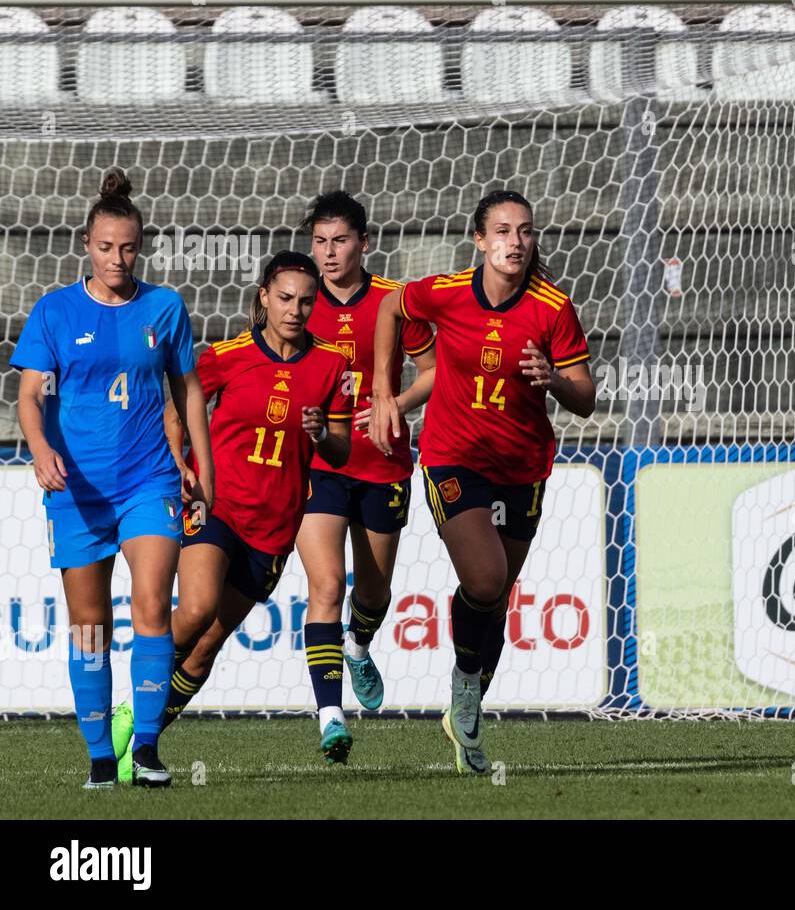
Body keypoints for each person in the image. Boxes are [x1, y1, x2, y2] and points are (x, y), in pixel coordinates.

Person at [368, 190, 596, 775]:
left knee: (496, 598)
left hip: (523, 466)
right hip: (452, 459)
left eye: (524, 231)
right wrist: (382, 393)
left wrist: (553, 379)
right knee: (487, 578)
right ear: (479, 239)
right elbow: (393, 307)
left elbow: (586, 398)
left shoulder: (552, 307)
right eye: (501, 231)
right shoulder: (444, 293)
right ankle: (466, 684)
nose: (514, 242)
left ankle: (462, 699)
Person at [11, 167, 214, 789]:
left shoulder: (164, 307)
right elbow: (28, 395)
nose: (117, 259)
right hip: (76, 489)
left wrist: (200, 471)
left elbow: (188, 389)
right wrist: (41, 448)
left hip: (148, 479)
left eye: (128, 248)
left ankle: (147, 748)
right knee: (91, 623)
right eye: (106, 248)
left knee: (154, 604)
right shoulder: (55, 311)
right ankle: (101, 755)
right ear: (86, 246)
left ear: (141, 246)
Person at [156, 252, 353, 759]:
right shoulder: (228, 355)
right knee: (196, 609)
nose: (296, 310)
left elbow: (341, 447)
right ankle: (134, 698)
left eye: (307, 301)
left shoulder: (331, 364)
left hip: (273, 528)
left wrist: (322, 435)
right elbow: (177, 407)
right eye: (285, 298)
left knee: (202, 653)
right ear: (264, 296)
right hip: (216, 505)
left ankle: (144, 739)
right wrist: (180, 466)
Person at [296, 192, 436, 762]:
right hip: (320, 465)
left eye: (340, 241)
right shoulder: (298, 301)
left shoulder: (394, 303)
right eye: (320, 242)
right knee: (326, 587)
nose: (328, 254)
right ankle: (330, 716)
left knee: (373, 589)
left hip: (382, 461)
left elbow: (434, 371)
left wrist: (394, 404)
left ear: (364, 243)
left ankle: (357, 643)